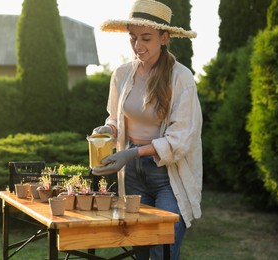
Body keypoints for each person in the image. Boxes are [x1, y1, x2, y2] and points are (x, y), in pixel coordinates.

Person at [91, 0, 203, 259]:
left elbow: (181, 139)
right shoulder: (121, 74)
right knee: (140, 251)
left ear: (164, 38)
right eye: (132, 38)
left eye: (146, 38)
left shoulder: (181, 78)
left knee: (165, 248)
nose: (138, 46)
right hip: (132, 175)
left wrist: (131, 154)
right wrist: (108, 130)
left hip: (167, 176)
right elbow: (115, 118)